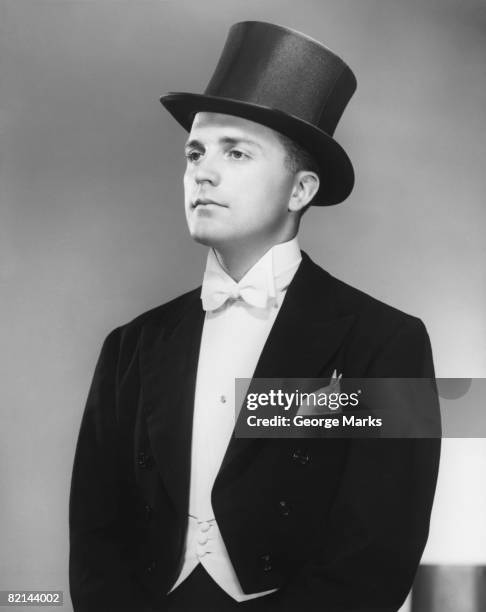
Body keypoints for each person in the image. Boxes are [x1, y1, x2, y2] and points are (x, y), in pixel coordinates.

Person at [69, 21, 441, 612]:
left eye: (236, 152)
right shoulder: (130, 347)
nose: (203, 173)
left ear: (300, 190)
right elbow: (95, 535)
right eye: (195, 152)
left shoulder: (385, 342)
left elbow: (380, 552)